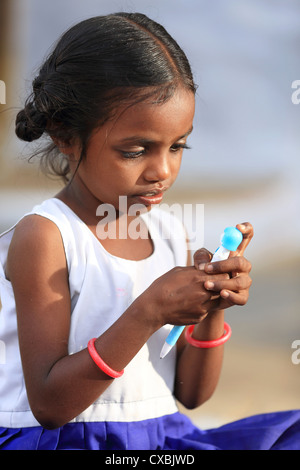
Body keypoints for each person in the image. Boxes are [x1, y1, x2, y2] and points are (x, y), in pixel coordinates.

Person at [0, 12, 299, 450]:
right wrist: (149, 310)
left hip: (160, 440)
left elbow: (191, 395)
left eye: (178, 146)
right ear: (66, 136)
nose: (162, 170)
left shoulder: (169, 233)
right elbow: (51, 406)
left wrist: (212, 306)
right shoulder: (47, 238)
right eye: (136, 150)